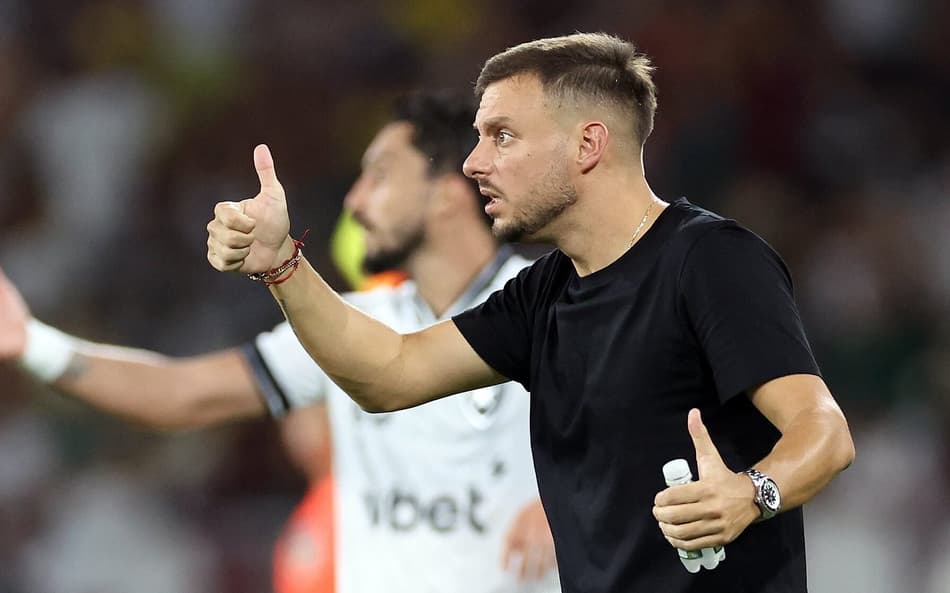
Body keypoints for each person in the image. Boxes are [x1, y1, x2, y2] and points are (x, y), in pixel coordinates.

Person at [206, 33, 856, 593]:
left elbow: (823, 430)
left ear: (587, 144)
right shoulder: (543, 295)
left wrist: (753, 491)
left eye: (503, 136)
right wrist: (281, 266)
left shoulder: (709, 261)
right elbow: (390, 372)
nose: (473, 162)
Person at [1, 91, 559, 593]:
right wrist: (31, 343)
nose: (355, 201)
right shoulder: (348, 325)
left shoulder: (557, 304)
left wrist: (581, 498)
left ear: (447, 196)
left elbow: (648, 429)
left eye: (381, 175)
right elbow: (181, 393)